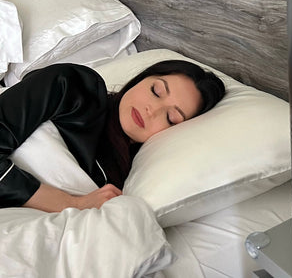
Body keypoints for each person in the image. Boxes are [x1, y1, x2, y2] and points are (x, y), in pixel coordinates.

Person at [0, 60, 225, 212]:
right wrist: (72, 203)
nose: (152, 110)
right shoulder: (74, 86)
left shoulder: (132, 179)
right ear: (141, 79)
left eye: (171, 118)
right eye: (156, 91)